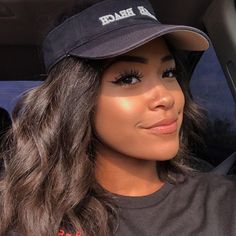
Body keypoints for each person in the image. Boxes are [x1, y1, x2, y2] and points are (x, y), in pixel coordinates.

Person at [1, 0, 236, 235]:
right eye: (129, 79)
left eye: (169, 72)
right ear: (76, 100)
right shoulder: (32, 219)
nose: (166, 97)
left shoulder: (225, 202)